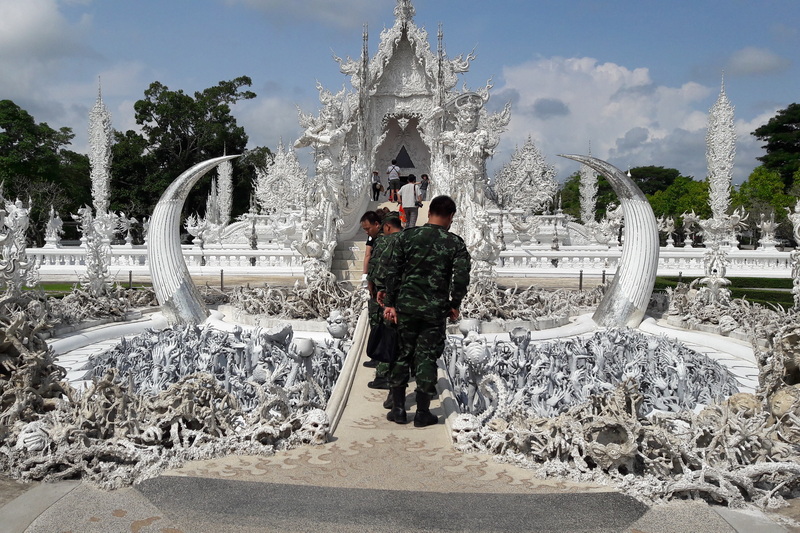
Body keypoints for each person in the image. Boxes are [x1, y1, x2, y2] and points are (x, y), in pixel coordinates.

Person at [381, 196, 471, 426]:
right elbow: (461, 278)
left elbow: (393, 272)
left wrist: (390, 303)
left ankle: (399, 409)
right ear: (451, 216)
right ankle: (422, 412)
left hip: (405, 307)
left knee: (402, 354)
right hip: (434, 310)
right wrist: (455, 304)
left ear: (429, 212)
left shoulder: (406, 237)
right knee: (427, 356)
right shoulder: (455, 244)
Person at [365, 213, 403, 395]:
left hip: (385, 295)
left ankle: (383, 375)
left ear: (386, 226)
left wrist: (374, 288)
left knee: (386, 333)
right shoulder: (410, 239)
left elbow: (378, 269)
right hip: (408, 297)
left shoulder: (383, 242)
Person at [360, 211, 382, 287]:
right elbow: (367, 254)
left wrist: (365, 275)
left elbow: (368, 255)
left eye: (368, 229)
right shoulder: (371, 236)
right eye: (364, 229)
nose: (366, 232)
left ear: (376, 224)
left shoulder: (386, 237)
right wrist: (365, 275)